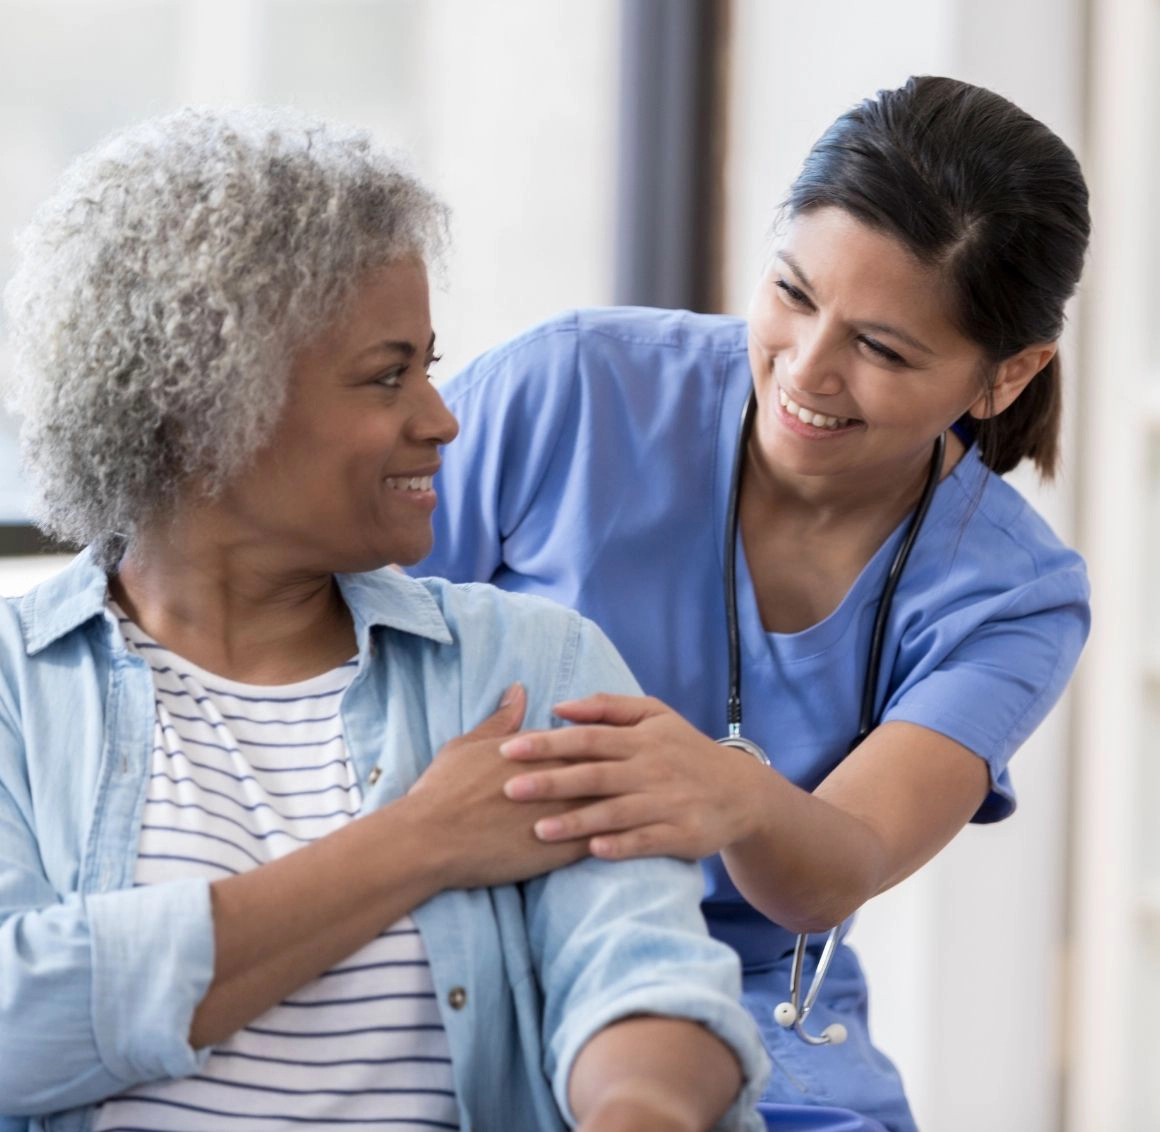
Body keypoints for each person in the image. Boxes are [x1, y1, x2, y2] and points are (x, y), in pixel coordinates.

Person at [0, 107, 770, 1132]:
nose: (440, 418)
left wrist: (640, 1111)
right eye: (385, 375)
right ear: (201, 416)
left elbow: (640, 967)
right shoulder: (15, 689)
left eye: (430, 365)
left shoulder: (528, 663)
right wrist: (417, 841)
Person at [409, 75, 1092, 1131]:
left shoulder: (1013, 594)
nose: (804, 370)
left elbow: (834, 871)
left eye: (880, 348)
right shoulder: (577, 386)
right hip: (455, 923)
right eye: (791, 293)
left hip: (749, 998)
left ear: (1004, 376)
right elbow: (332, 630)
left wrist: (734, 795)